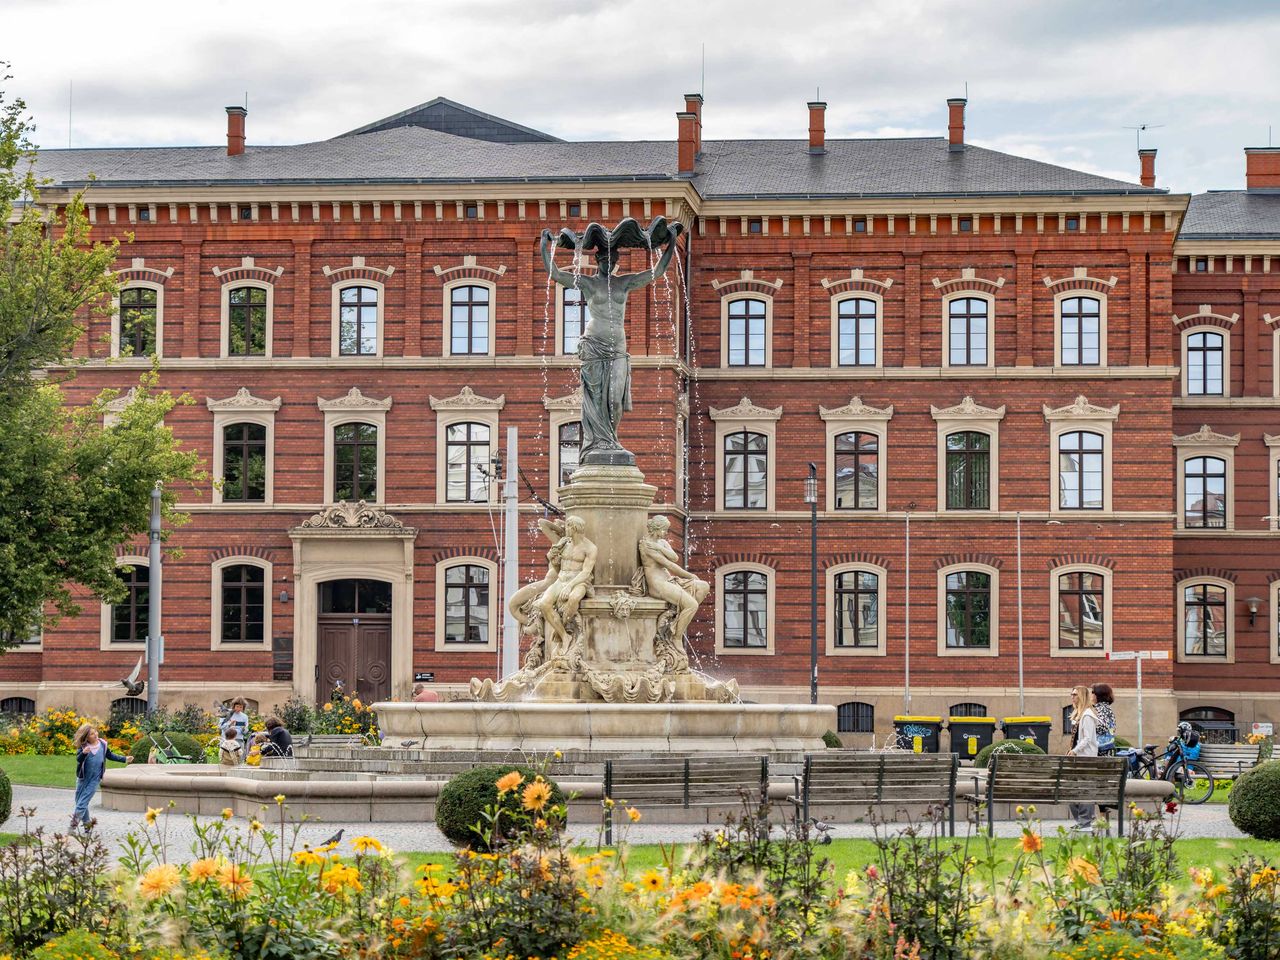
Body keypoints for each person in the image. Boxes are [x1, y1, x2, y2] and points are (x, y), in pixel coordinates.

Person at [71, 723, 133, 831]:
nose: (95, 734)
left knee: (82, 803)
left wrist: (124, 759)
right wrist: (83, 753)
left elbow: (110, 755)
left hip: (94, 780)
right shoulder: (83, 747)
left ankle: (72, 827)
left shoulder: (103, 744)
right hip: (82, 779)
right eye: (91, 734)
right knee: (79, 802)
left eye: (95, 732)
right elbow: (78, 759)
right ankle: (87, 825)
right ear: (86, 737)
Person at [1066, 685, 1101, 830]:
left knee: (1083, 790)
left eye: (1075, 694)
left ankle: (1085, 822)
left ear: (1081, 696)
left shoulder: (1087, 715)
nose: (1072, 697)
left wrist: (1075, 751)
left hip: (1085, 758)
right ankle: (1083, 821)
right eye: (1071, 694)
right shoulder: (1079, 715)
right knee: (1073, 790)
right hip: (1079, 757)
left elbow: (1087, 739)